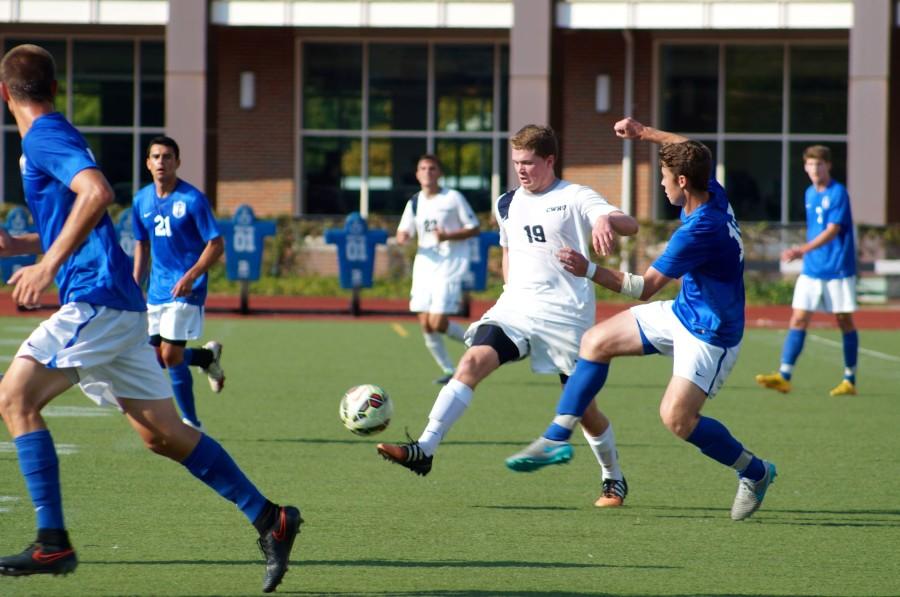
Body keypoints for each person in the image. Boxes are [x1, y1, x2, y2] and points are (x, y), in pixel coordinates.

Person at [0, 44, 300, 592]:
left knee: (14, 398)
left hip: (98, 300)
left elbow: (97, 193)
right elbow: (75, 215)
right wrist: (19, 245)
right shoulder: (46, 137)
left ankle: (51, 541)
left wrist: (46, 263)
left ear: (4, 93)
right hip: (116, 305)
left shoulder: (43, 136)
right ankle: (271, 518)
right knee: (162, 435)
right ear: (54, 87)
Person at [505, 117, 777, 522]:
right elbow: (690, 146)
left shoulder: (698, 230)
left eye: (665, 177)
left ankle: (755, 472)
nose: (661, 184)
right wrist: (645, 134)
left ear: (683, 182)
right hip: (684, 312)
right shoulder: (712, 192)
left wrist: (589, 270)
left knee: (677, 419)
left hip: (711, 334)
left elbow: (643, 287)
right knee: (594, 342)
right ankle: (556, 436)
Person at [378, 125, 638, 508]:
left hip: (566, 315)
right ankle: (425, 448)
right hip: (515, 309)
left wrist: (604, 221)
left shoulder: (575, 196)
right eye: (516, 162)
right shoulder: (506, 203)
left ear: (549, 161)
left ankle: (613, 477)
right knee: (471, 362)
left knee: (583, 408)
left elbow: (628, 224)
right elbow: (509, 253)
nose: (521, 170)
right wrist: (509, 291)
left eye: (529, 163)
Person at [132, 136, 226, 431]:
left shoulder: (192, 200)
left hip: (187, 289)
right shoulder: (141, 200)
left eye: (168, 157)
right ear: (148, 163)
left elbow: (216, 244)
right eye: (156, 157)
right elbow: (142, 244)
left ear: (178, 162)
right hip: (157, 290)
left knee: (170, 356)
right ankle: (206, 357)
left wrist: (192, 276)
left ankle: (191, 423)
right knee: (154, 358)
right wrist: (136, 283)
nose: (162, 162)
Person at [755, 145, 858, 396]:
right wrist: (806, 253)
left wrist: (801, 250)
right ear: (804, 167)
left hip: (837, 268)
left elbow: (832, 230)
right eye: (810, 164)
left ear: (828, 166)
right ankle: (784, 375)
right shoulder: (809, 193)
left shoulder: (838, 193)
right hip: (813, 269)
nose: (814, 169)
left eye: (819, 164)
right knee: (799, 318)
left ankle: (849, 379)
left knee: (844, 320)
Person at [396, 155, 481, 384]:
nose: (427, 172)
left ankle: (484, 343)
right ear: (417, 174)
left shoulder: (453, 198)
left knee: (437, 323)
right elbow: (404, 230)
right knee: (425, 323)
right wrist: (402, 236)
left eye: (432, 168)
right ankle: (448, 369)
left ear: (439, 173)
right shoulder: (414, 201)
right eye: (422, 168)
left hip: (450, 264)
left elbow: (474, 228)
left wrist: (448, 236)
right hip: (424, 265)